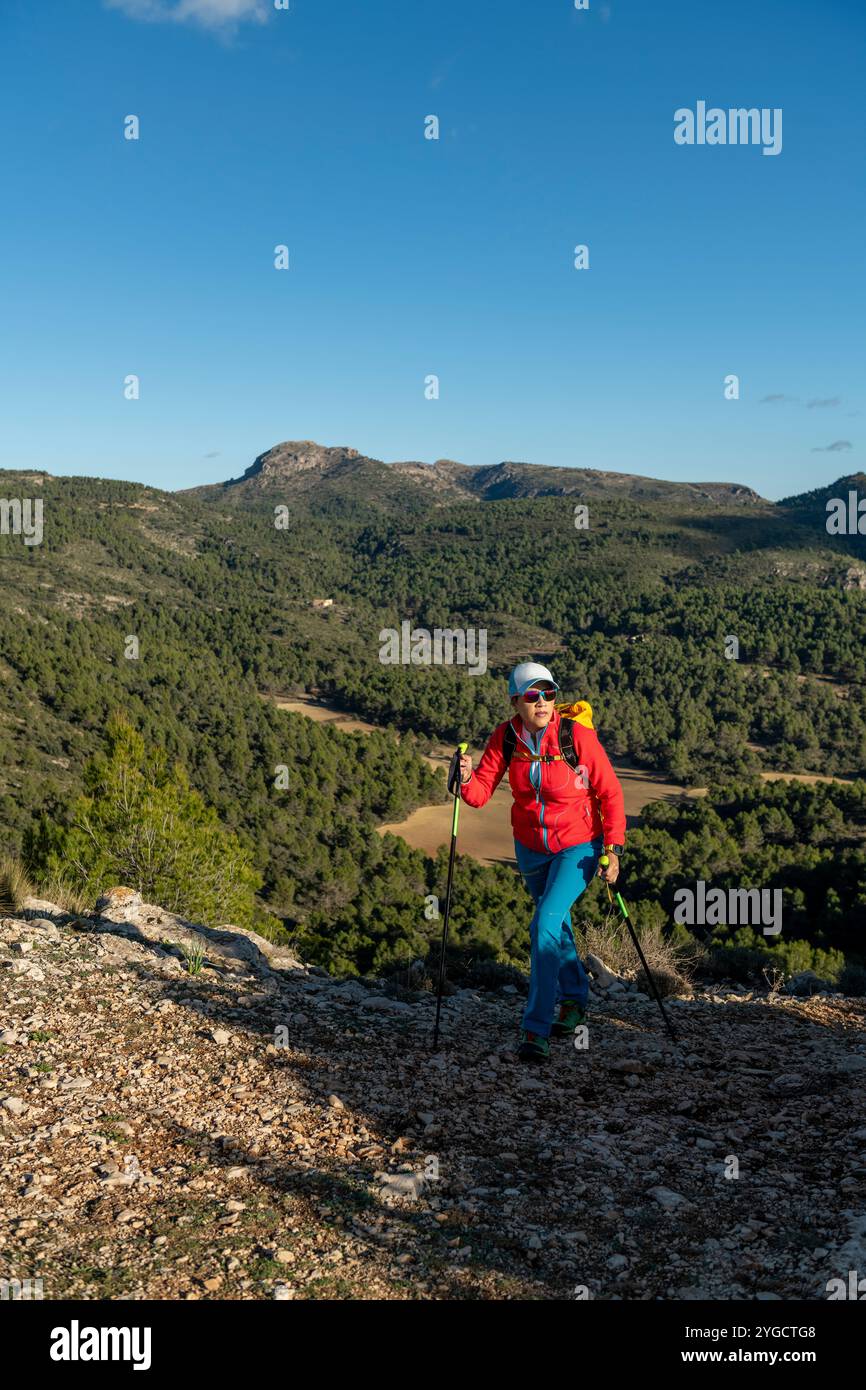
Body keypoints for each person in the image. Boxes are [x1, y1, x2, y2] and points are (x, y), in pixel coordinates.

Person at [458, 662, 626, 1063]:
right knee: (558, 923)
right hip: (530, 848)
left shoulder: (574, 737)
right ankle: (575, 1001)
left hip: (580, 844)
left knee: (545, 923)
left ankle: (535, 1030)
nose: (543, 702)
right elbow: (480, 794)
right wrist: (464, 778)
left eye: (548, 693)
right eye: (532, 696)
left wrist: (614, 848)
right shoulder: (506, 738)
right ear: (515, 701)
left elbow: (611, 793)